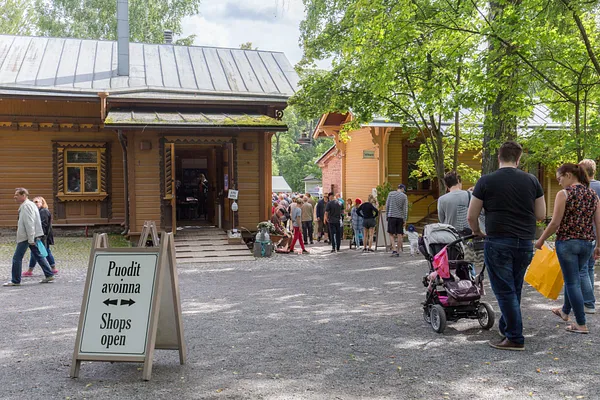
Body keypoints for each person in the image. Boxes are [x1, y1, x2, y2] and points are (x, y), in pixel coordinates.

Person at [467, 141, 546, 351]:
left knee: (504, 291)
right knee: (514, 288)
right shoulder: (532, 181)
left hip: (498, 240)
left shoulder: (486, 181)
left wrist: (476, 231)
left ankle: (515, 338)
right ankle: (506, 327)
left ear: (498, 157)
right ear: (518, 159)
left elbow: (471, 215)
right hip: (524, 242)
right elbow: (541, 214)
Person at [535, 164, 600, 334]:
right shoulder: (593, 195)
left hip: (567, 243)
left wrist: (541, 240)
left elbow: (555, 222)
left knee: (572, 282)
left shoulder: (564, 194)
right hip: (587, 243)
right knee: (575, 280)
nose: (560, 182)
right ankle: (565, 311)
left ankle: (581, 323)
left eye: (560, 178)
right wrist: (598, 245)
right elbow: (598, 223)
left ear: (569, 175)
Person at [4, 188, 55, 286]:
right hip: (31, 235)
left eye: (17, 195)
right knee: (38, 255)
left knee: (17, 258)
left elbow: (29, 223)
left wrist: (31, 238)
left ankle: (15, 280)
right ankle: (49, 274)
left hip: (27, 237)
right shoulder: (29, 205)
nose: (15, 197)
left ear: (23, 195)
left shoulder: (26, 206)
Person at [578, 159, 600, 314]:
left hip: (584, 233)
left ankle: (589, 303)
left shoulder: (580, 188)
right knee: (590, 268)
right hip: (597, 233)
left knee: (583, 269)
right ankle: (588, 300)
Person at [22, 196, 57, 276]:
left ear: (42, 203)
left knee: (39, 252)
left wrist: (39, 236)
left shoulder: (43, 211)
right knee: (42, 251)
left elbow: (43, 225)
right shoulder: (38, 211)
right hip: (42, 236)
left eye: (37, 202)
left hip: (42, 236)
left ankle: (31, 270)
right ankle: (53, 268)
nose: (35, 203)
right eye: (34, 202)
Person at [386, 184, 409, 256]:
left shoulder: (391, 194)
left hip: (391, 216)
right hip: (400, 217)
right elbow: (405, 209)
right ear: (402, 189)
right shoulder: (404, 196)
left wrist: (387, 215)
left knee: (391, 233)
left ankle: (394, 249)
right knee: (400, 234)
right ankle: (398, 251)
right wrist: (405, 219)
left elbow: (387, 205)